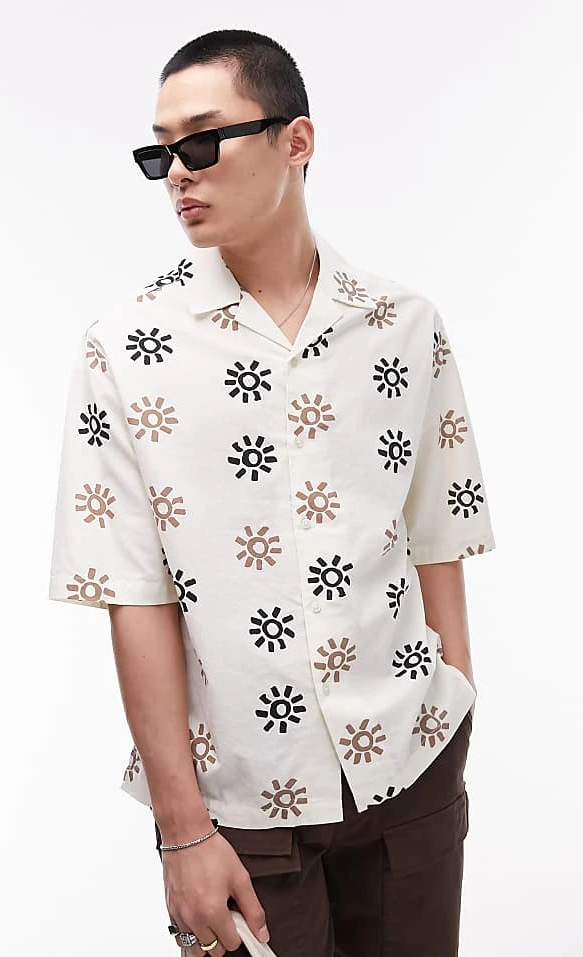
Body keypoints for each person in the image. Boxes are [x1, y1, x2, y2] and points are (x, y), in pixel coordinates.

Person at [48, 28, 496, 957]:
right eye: (160, 153)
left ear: (297, 140)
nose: (179, 171)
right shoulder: (128, 349)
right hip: (240, 802)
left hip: (412, 766)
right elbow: (134, 594)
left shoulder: (402, 325)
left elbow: (438, 528)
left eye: (204, 140)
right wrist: (182, 831)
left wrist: (456, 698)